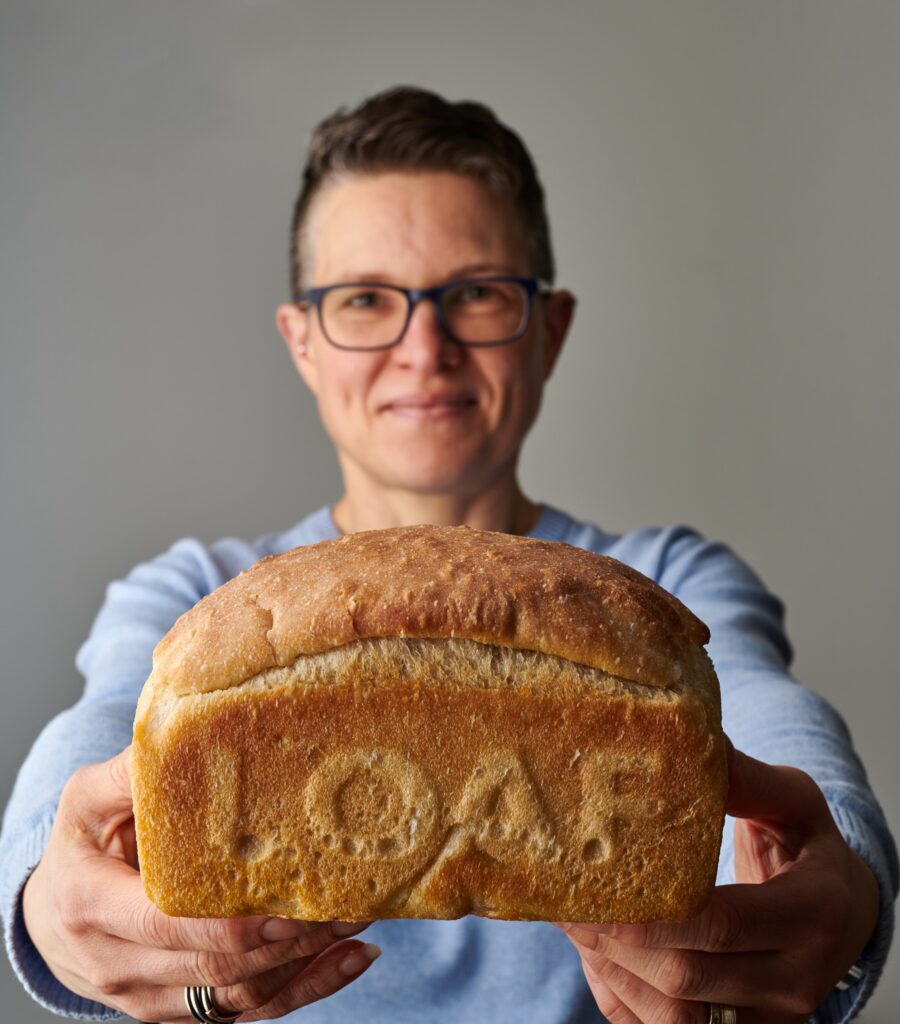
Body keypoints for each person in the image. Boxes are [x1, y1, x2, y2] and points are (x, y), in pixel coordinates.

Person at [0, 86, 896, 1024]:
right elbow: (99, 730)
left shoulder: (668, 584)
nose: (424, 349)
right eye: (364, 299)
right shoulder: (195, 593)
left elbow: (776, 723)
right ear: (302, 343)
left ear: (549, 330)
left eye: (475, 293)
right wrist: (41, 889)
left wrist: (849, 878)